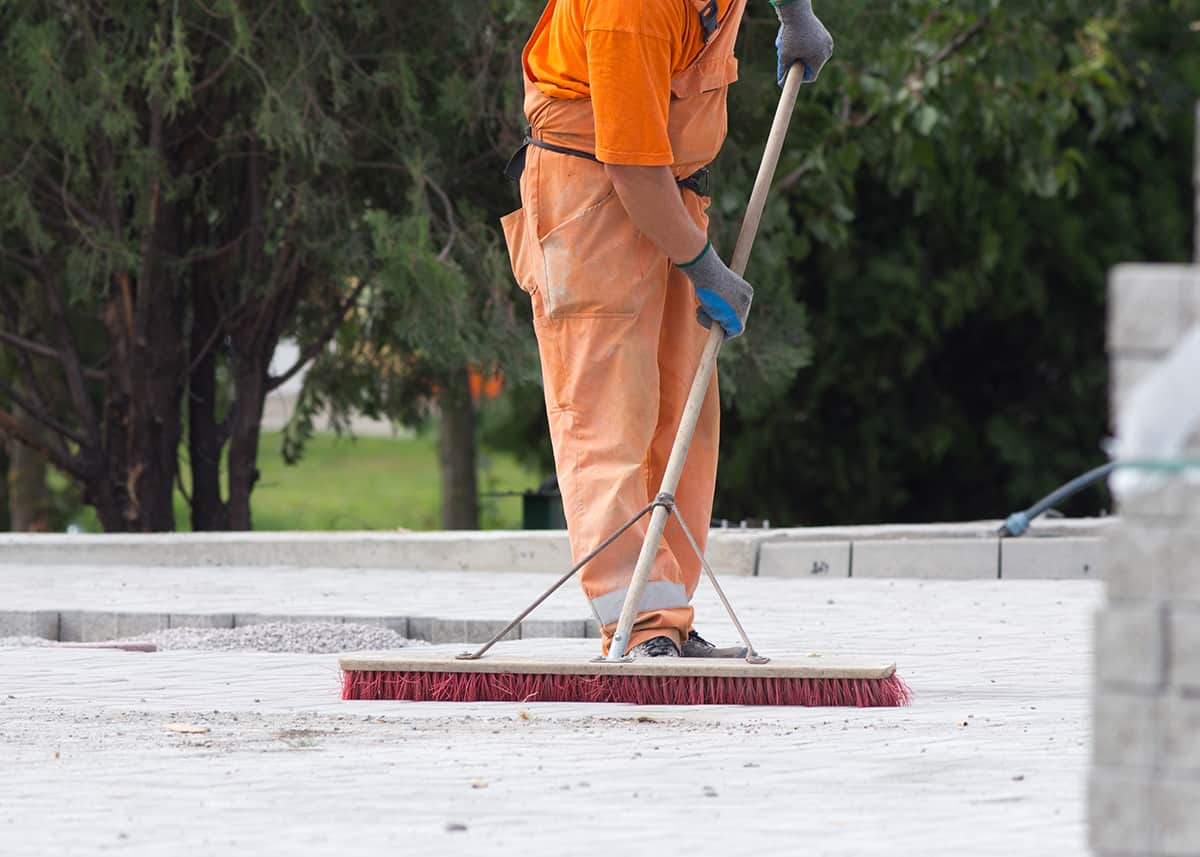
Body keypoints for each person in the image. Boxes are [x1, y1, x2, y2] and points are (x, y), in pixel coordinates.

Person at [501, 0, 832, 657]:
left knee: (683, 411)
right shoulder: (631, 8)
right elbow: (629, 166)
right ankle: (639, 626)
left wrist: (795, 13)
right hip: (591, 195)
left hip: (668, 186)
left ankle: (667, 617)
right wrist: (703, 265)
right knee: (608, 417)